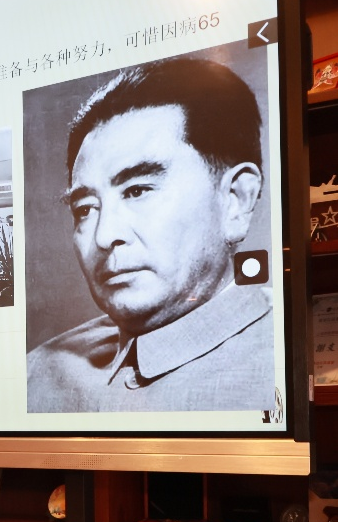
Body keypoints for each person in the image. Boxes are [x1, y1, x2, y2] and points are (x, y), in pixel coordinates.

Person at [26, 55, 274, 413]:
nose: (104, 236)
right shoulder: (39, 375)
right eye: (85, 209)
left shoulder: (279, 366)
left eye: (137, 190)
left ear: (235, 199)